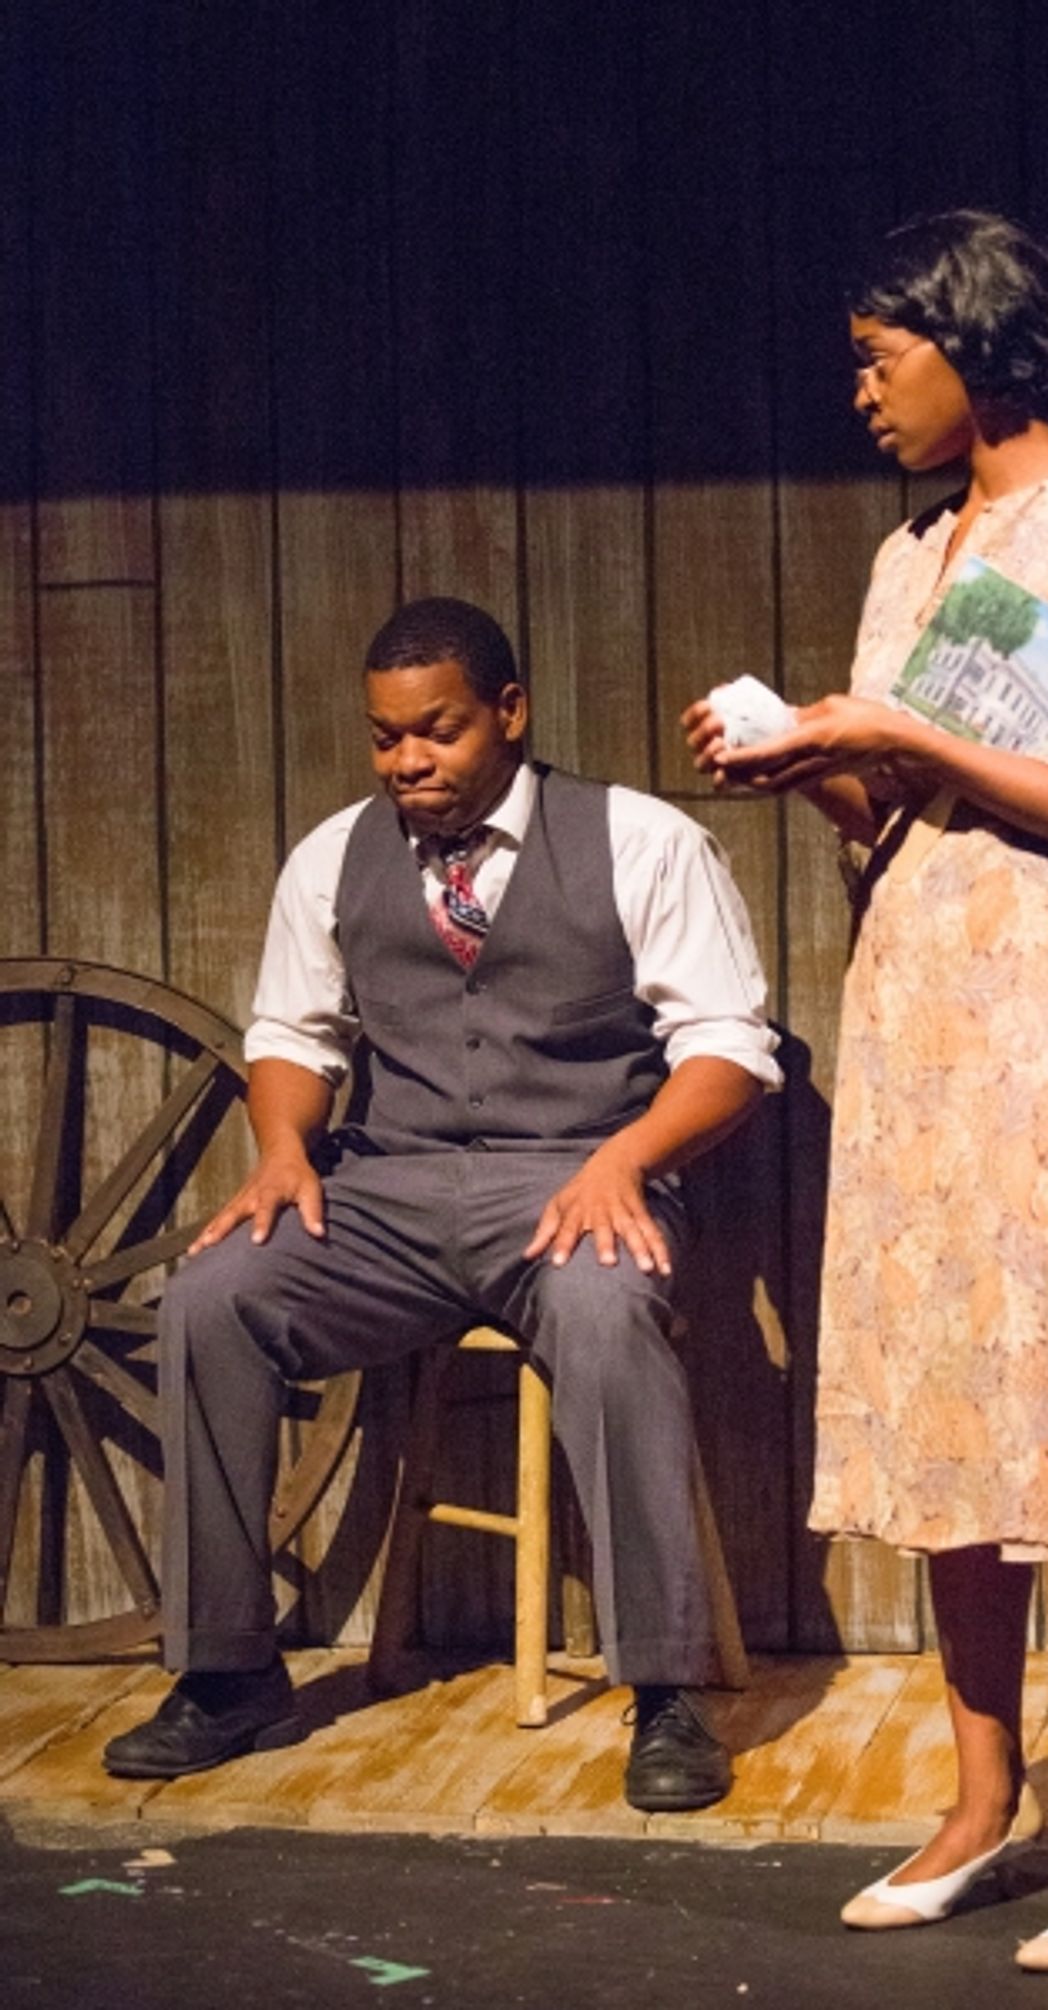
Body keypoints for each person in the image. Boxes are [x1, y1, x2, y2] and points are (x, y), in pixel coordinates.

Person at [685, 210, 1048, 1971]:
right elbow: (915, 825)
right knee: (950, 1418)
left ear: (974, 344)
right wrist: (816, 763)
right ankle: (983, 1794)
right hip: (929, 1025)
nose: (859, 388)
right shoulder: (923, 551)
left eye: (880, 354)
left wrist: (903, 733)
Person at [104, 595, 781, 1813]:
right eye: (385, 737)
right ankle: (226, 1671)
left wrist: (626, 1160)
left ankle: (666, 1693)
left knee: (605, 1311)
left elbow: (728, 1044)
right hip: (392, 1190)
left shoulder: (639, 838)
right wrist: (278, 1151)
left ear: (509, 714)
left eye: (438, 730)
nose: (408, 760)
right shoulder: (333, 854)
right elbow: (292, 1032)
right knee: (213, 1295)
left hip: (576, 1176)